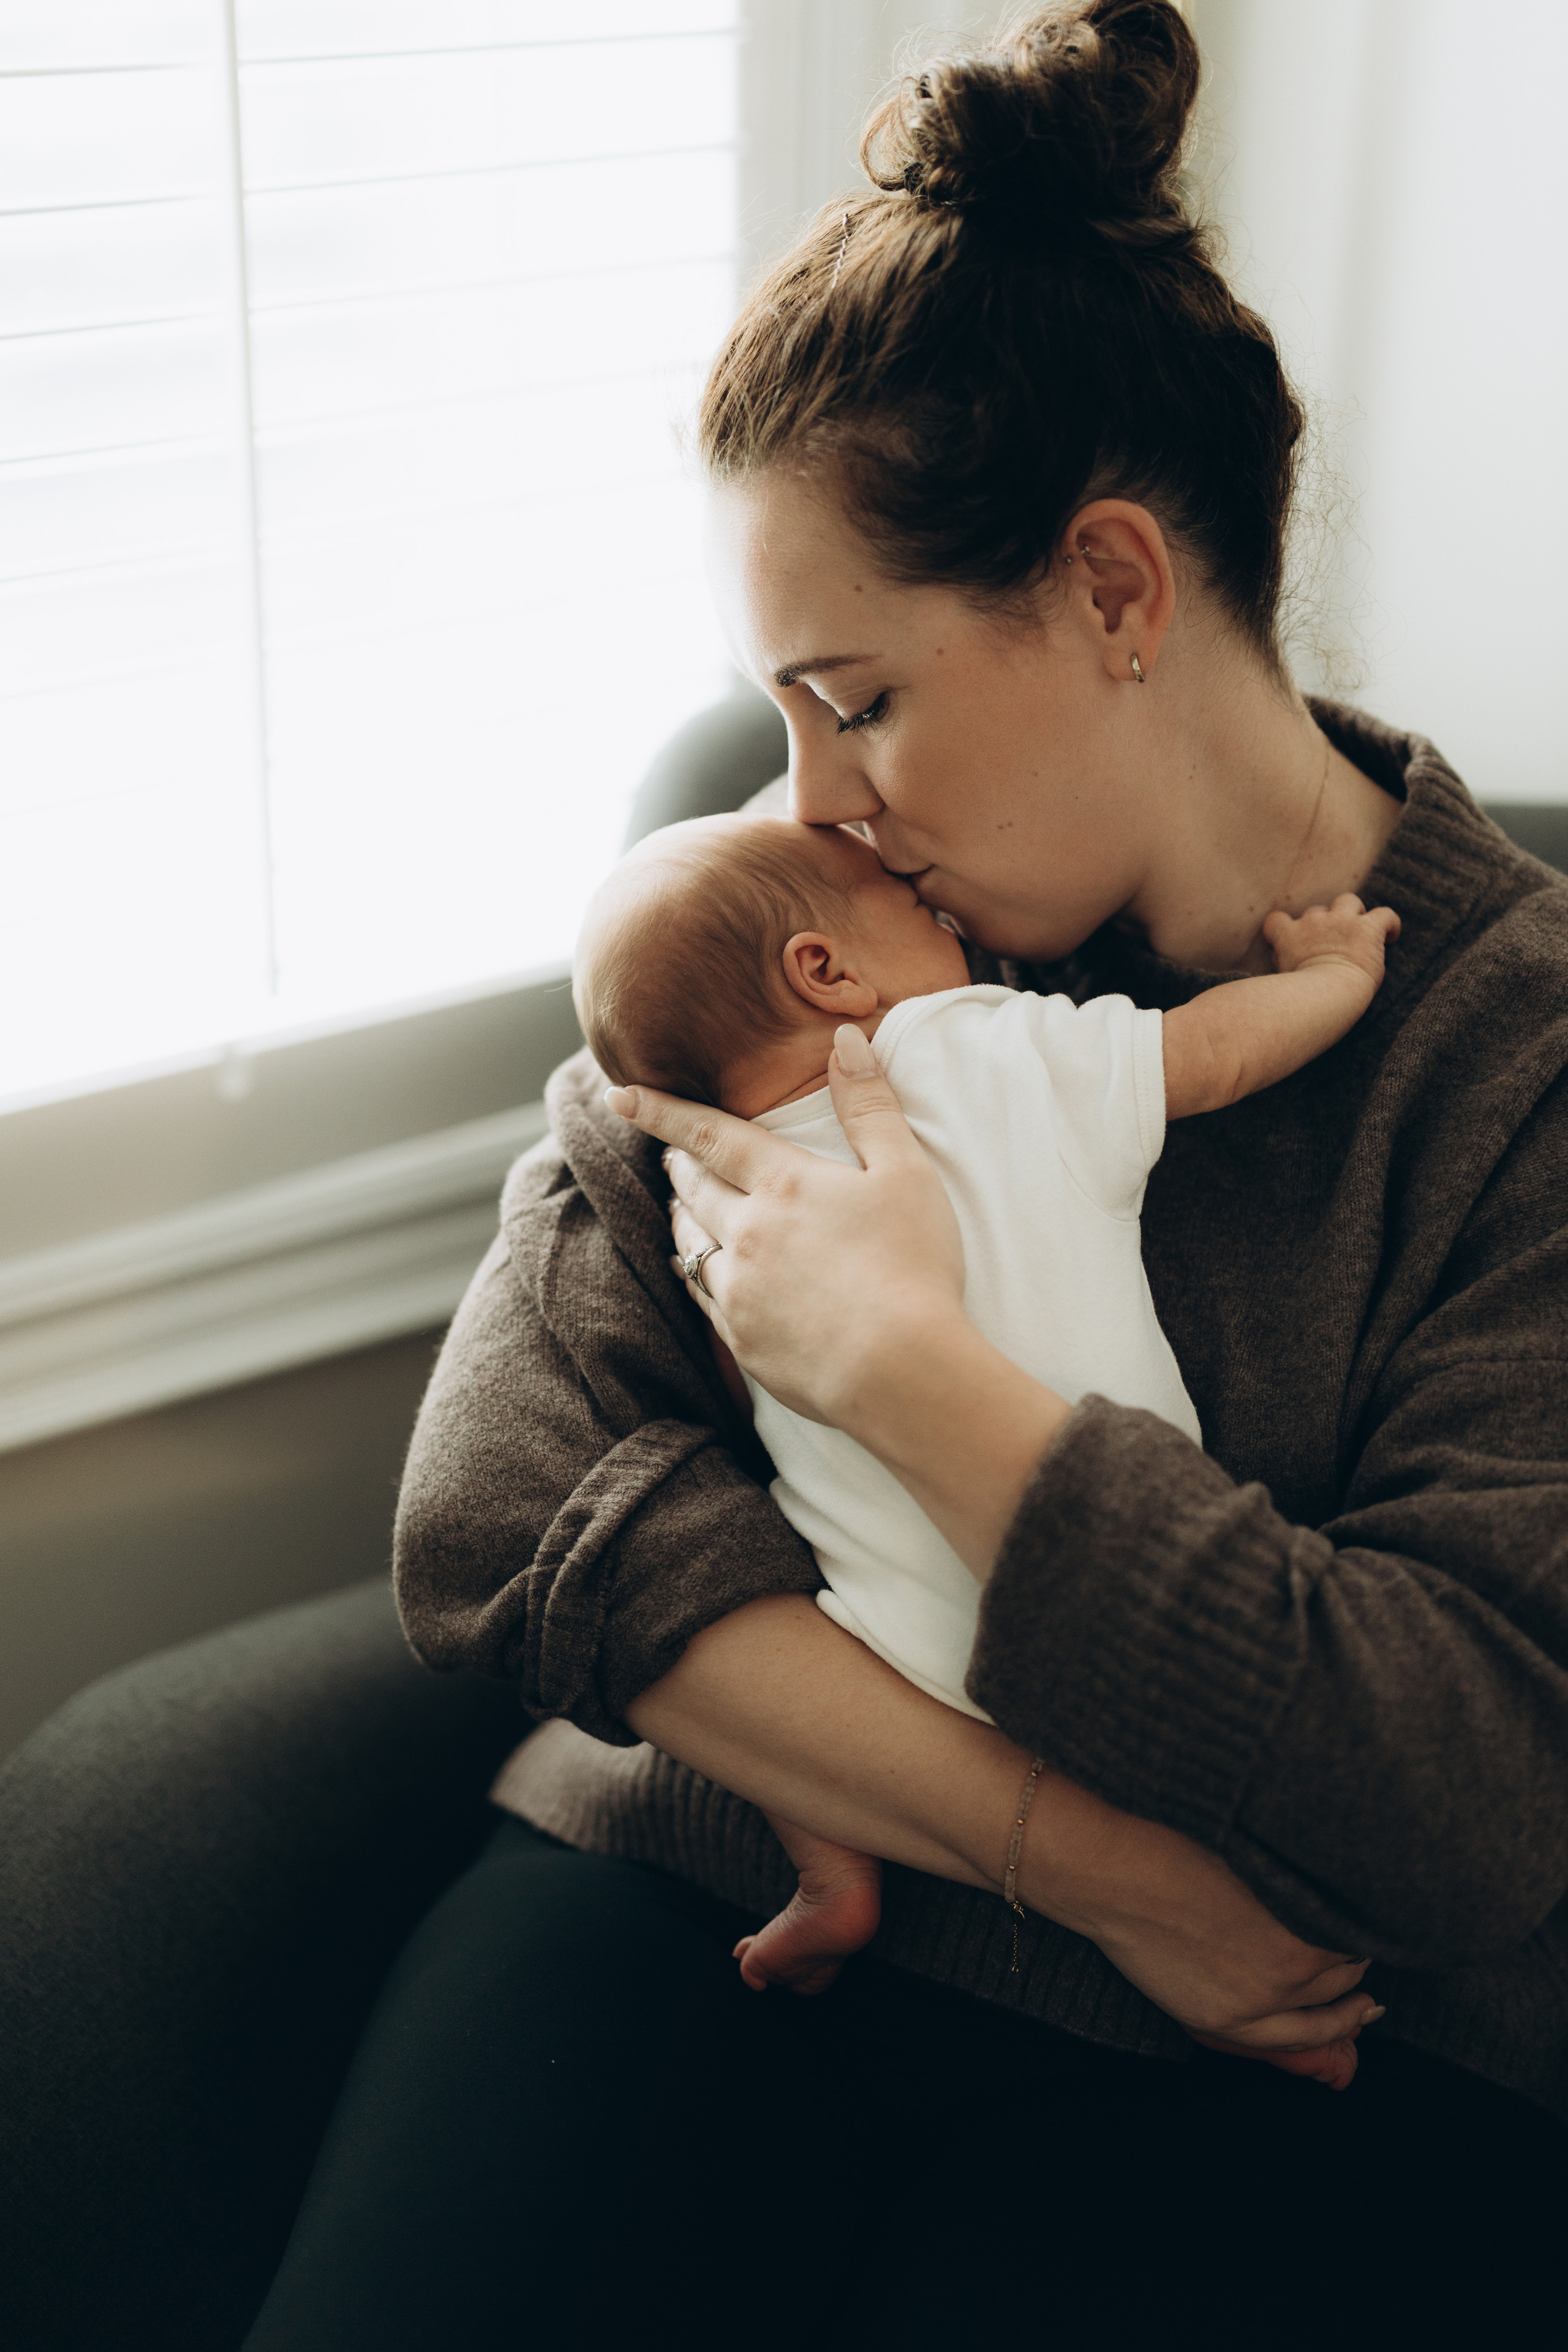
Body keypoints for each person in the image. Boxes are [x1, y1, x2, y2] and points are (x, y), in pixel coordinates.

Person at [241, 4, 1568, 2345]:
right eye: (779, 718)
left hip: (1286, 2066)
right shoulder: (794, 963)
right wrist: (1093, 1857)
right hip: (706, 1901)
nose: (809, 807)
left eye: (856, 700)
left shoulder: (1515, 1048)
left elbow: (1459, 1791)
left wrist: (917, 1382)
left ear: (1121, 591)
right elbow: (499, 1496)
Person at [574, 809, 1398, 2045]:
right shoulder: (977, 1050)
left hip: (879, 1661)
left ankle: (829, 1871)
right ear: (826, 970)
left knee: (790, 1655)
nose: (942, 919)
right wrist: (1333, 975)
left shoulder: (719, 1194)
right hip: (1097, 1594)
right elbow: (1213, 1056)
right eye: (919, 917)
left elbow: (727, 1412)